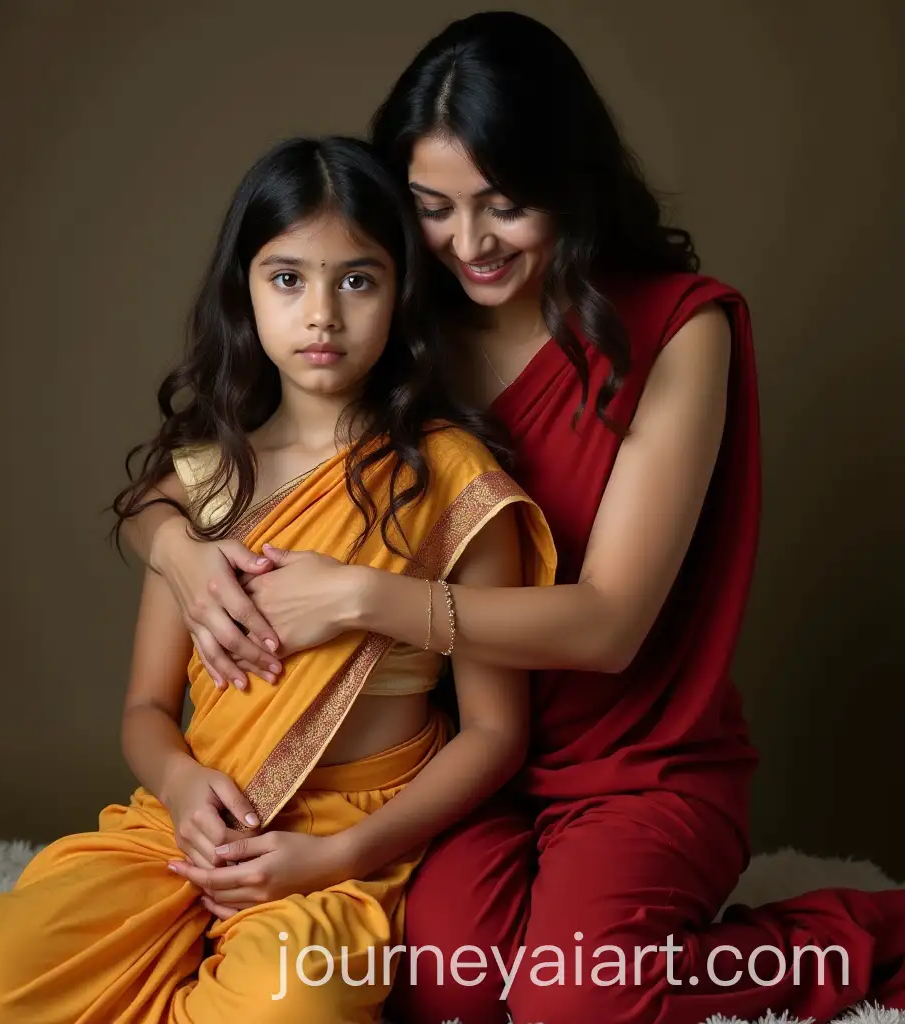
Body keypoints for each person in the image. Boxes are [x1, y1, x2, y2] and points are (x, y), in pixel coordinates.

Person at [116, 11, 905, 1024]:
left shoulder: (676, 327)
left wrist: (366, 599)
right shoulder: (401, 317)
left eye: (504, 205)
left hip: (640, 763)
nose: (470, 243)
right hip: (468, 763)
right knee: (441, 988)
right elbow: (180, 476)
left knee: (570, 1005)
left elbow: (609, 624)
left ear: (567, 186)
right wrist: (180, 554)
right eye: (431, 208)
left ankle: (864, 930)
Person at [0, 135, 556, 1023]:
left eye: (357, 280)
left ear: (402, 293)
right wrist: (179, 787)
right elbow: (146, 713)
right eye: (287, 278)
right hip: (193, 824)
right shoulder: (202, 485)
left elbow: (495, 733)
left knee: (289, 1010)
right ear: (243, 289)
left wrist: (341, 855)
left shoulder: (449, 479)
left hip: (348, 842)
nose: (321, 314)